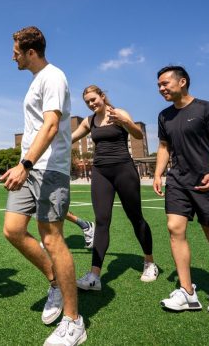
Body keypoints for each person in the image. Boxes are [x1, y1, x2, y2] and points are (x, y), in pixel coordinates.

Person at [1, 26, 87, 346]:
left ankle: (74, 321)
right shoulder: (35, 81)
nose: (12, 56)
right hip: (30, 166)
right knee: (12, 230)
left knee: (53, 239)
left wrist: (25, 164)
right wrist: (22, 163)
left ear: (30, 52)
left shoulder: (53, 76)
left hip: (49, 169)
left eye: (16, 51)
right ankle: (54, 281)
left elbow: (51, 125)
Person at [153, 66, 209, 316]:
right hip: (177, 180)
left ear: (183, 81)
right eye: (158, 85)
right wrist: (158, 173)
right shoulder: (164, 116)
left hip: (205, 180)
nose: (161, 88)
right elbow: (164, 147)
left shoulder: (207, 109)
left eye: (165, 83)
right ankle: (187, 291)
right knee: (174, 228)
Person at [71, 85, 158, 291]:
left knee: (135, 217)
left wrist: (125, 122)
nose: (91, 104)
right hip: (101, 173)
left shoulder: (118, 113)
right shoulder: (89, 121)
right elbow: (70, 138)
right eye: (87, 102)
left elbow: (137, 135)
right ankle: (94, 276)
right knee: (102, 221)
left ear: (102, 96)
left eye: (94, 99)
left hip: (124, 170)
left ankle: (149, 262)